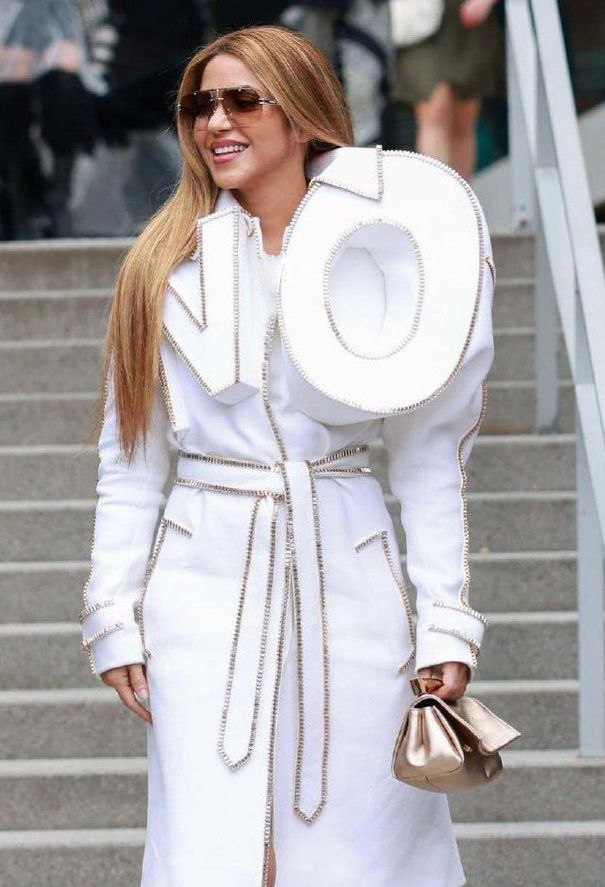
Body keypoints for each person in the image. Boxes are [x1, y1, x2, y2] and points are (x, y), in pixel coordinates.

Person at [79, 24, 495, 887]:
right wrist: (112, 608)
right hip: (201, 586)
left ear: (302, 115)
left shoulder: (381, 253)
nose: (214, 122)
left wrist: (444, 613)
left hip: (349, 575)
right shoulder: (161, 265)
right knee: (217, 847)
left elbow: (428, 457)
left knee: (360, 847)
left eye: (242, 100)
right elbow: (130, 458)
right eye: (199, 105)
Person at [391, 0, 504, 177]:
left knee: (464, 118)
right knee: (433, 113)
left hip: (467, 19)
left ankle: (462, 191)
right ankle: (439, 191)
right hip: (420, 17)